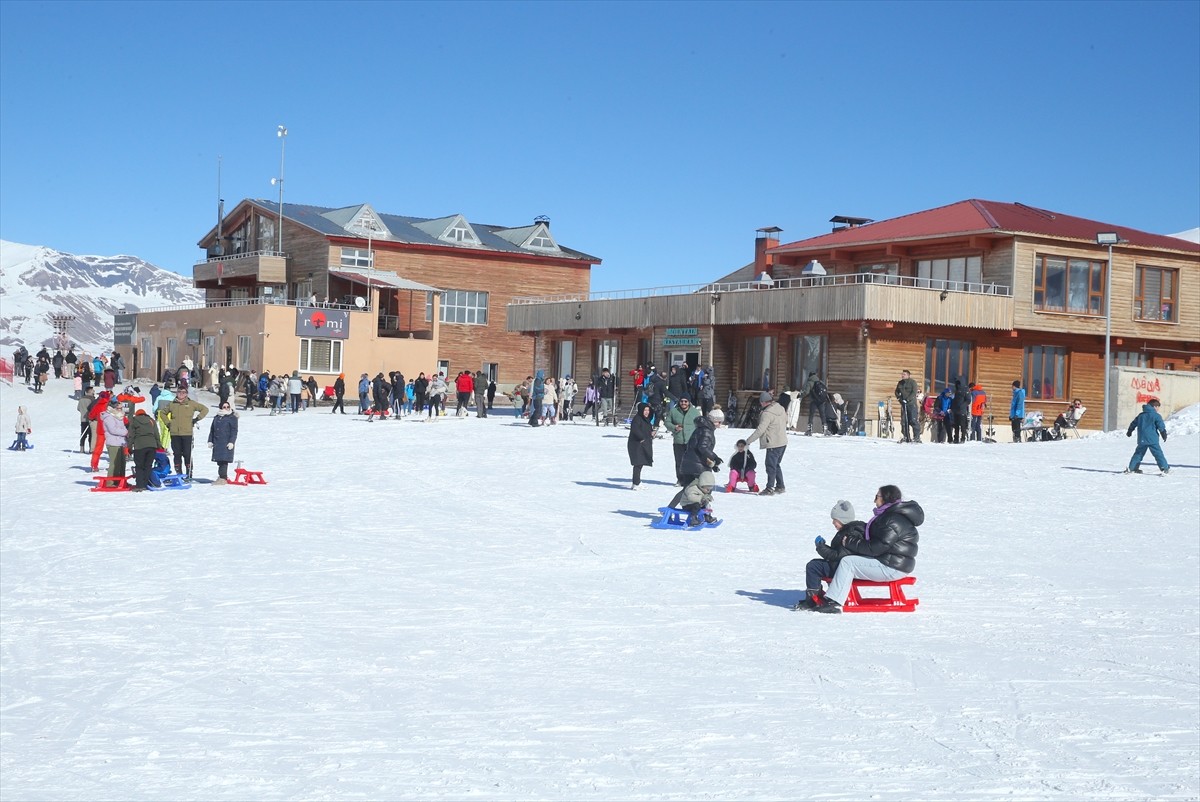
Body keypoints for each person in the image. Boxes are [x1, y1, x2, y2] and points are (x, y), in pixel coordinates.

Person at [808, 485, 922, 614]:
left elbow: (877, 548)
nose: (875, 500)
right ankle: (832, 597)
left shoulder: (892, 520)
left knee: (848, 562)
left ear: (886, 498)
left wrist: (850, 542)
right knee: (850, 561)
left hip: (892, 566)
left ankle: (834, 602)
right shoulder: (892, 517)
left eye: (877, 496)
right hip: (893, 563)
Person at [792, 500, 861, 610]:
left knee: (813, 566)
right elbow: (839, 553)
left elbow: (838, 556)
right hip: (842, 566)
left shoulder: (850, 534)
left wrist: (821, 547)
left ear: (842, 519)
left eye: (835, 520)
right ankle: (815, 595)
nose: (833, 523)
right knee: (815, 564)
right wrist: (824, 546)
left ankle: (812, 600)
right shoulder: (850, 531)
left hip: (841, 568)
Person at [745, 391, 787, 496]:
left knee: (770, 466)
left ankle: (769, 488)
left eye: (761, 402)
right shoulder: (780, 408)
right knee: (776, 464)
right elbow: (786, 420)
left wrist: (748, 441)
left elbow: (760, 430)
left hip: (773, 443)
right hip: (782, 442)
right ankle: (780, 486)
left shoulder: (767, 414)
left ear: (763, 402)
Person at [165, 386, 208, 480]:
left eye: (183, 392)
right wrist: (168, 423)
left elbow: (205, 409)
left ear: (186, 394)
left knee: (187, 454)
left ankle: (188, 473)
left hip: (187, 433)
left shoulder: (191, 403)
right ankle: (179, 474)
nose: (181, 394)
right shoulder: (172, 404)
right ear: (176, 393)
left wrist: (196, 419)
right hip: (175, 433)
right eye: (179, 392)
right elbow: (162, 413)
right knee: (177, 454)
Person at [1125, 398, 1169, 475]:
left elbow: (1133, 423)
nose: (1158, 409)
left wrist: (1130, 431)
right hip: (1152, 439)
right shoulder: (1156, 416)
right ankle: (1164, 468)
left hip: (1142, 439)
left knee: (1138, 454)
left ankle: (1132, 468)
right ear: (1154, 406)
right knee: (1158, 454)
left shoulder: (1141, 415)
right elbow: (1161, 426)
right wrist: (1163, 434)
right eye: (1158, 407)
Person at [666, 395, 700, 486]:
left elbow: (700, 424)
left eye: (685, 401)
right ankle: (680, 480)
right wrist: (674, 427)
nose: (683, 403)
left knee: (691, 462)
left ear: (689, 402)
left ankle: (691, 480)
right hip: (678, 441)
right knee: (679, 462)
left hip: (691, 441)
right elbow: (667, 422)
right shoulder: (674, 411)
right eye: (682, 401)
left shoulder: (695, 412)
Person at [127, 409, 159, 492]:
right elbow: (156, 434)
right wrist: (159, 445)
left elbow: (131, 435)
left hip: (139, 445)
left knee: (139, 466)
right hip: (152, 445)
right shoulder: (151, 420)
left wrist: (129, 447)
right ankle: (145, 484)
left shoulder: (134, 421)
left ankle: (139, 485)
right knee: (148, 466)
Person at [208, 400, 239, 485]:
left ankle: (223, 478)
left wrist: (232, 442)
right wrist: (210, 440)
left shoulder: (232, 418)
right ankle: (221, 476)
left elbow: (234, 431)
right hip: (217, 443)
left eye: (228, 407)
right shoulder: (217, 417)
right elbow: (212, 430)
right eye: (224, 407)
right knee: (219, 461)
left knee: (224, 461)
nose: (226, 408)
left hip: (226, 442)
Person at [627, 402, 655, 491]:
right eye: (645, 410)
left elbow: (647, 430)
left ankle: (637, 482)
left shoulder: (646, 420)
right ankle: (636, 483)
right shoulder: (637, 419)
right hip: (636, 445)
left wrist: (651, 433)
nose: (647, 412)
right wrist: (642, 438)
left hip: (643, 444)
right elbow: (635, 430)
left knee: (641, 463)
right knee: (638, 464)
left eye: (648, 410)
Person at [100, 399, 128, 478]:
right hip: (113, 443)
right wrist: (125, 432)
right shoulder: (108, 417)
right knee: (114, 463)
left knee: (122, 463)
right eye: (118, 408)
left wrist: (126, 432)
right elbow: (113, 430)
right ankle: (111, 481)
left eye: (121, 408)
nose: (120, 410)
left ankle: (121, 480)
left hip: (121, 442)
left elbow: (123, 427)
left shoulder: (119, 416)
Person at [895, 370, 921, 443]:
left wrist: (908, 399)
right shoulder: (900, 383)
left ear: (908, 375)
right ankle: (906, 437)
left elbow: (914, 392)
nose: (902, 375)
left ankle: (916, 437)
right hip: (903, 404)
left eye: (904, 374)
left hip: (911, 404)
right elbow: (896, 392)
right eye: (902, 374)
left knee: (913, 420)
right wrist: (899, 399)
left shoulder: (912, 382)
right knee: (904, 421)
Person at [950, 377, 971, 444]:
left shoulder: (966, 390)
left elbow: (968, 400)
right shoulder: (956, 390)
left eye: (958, 383)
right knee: (956, 425)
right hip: (955, 410)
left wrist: (962, 406)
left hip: (962, 411)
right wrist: (952, 407)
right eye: (956, 383)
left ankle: (963, 438)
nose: (957, 384)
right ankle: (956, 438)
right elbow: (954, 400)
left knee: (962, 425)